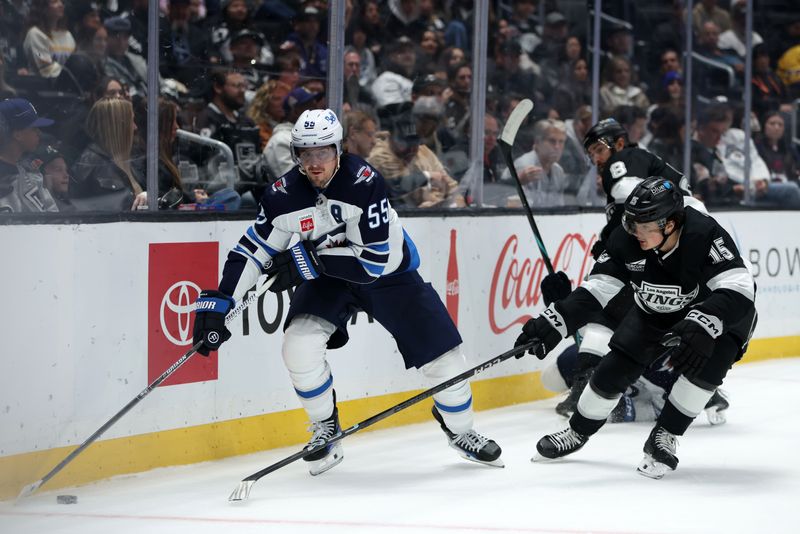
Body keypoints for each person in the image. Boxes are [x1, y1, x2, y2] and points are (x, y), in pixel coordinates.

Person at [191, 108, 502, 476]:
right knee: (298, 345)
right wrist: (222, 302)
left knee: (446, 360)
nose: (315, 162)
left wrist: (306, 261)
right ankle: (326, 426)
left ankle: (461, 429)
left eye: (323, 151)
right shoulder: (282, 195)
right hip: (329, 278)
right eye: (305, 153)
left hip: (389, 274)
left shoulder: (364, 182)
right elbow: (251, 251)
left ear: (339, 149)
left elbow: (371, 263)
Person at [517, 177, 756, 478]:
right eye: (631, 222)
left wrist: (705, 322)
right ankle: (577, 431)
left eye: (643, 225)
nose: (634, 231)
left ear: (669, 224)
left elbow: (740, 286)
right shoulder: (625, 238)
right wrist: (556, 320)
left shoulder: (704, 234)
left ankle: (665, 436)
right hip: (653, 312)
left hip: (712, 314)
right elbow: (598, 288)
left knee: (706, 368)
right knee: (612, 371)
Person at [71, 97, 145, 211]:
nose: (135, 127)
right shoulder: (88, 167)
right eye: (131, 120)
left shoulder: (129, 160)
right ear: (118, 126)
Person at [0, 98, 58, 212]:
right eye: (34, 129)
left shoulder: (27, 166)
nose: (39, 133)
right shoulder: (4, 177)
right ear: (17, 135)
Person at [500, 118, 568, 207]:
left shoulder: (558, 171)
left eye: (561, 142)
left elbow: (559, 208)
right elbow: (516, 207)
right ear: (538, 142)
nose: (557, 147)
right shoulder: (524, 166)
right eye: (552, 141)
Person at [22, 0, 75, 78]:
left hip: (68, 86)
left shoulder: (67, 35)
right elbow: (47, 68)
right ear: (42, 7)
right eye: (54, 2)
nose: (61, 5)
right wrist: (73, 75)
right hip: (43, 87)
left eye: (61, 1)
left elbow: (75, 62)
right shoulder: (35, 34)